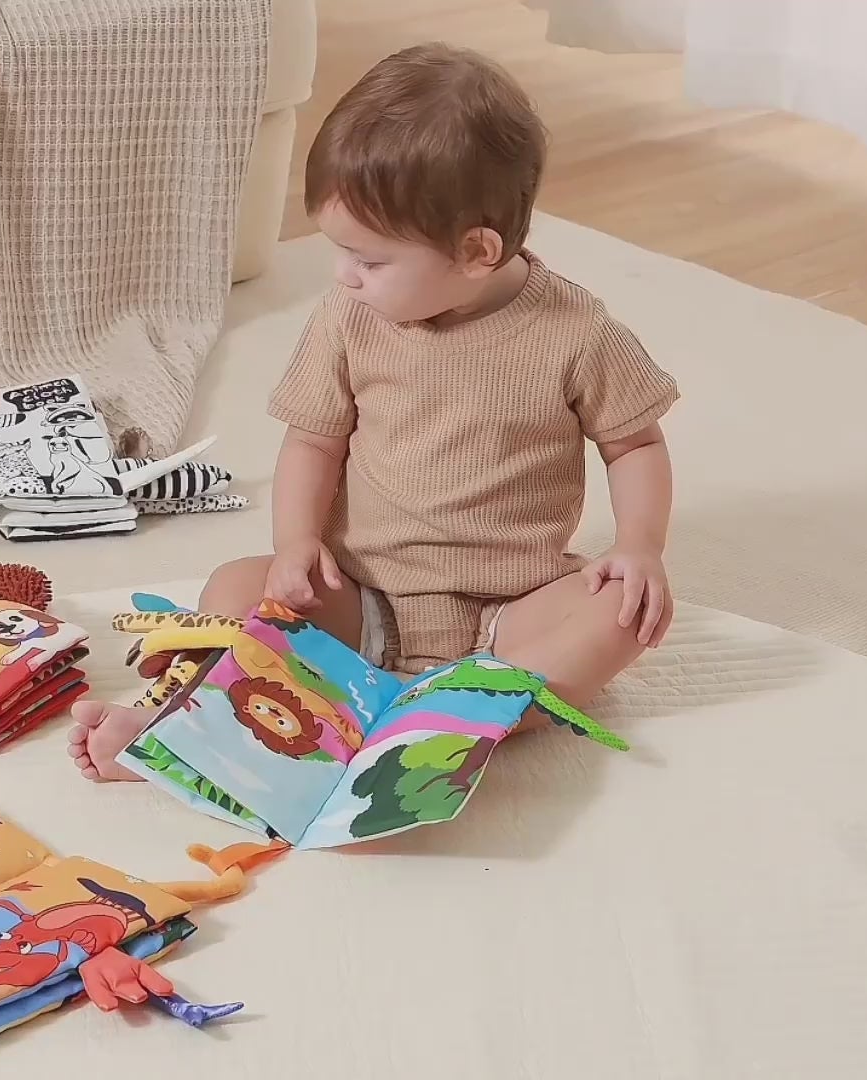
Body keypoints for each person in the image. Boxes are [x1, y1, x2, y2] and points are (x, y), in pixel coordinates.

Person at [68, 41, 679, 781]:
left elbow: (635, 446)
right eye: (339, 251)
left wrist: (640, 548)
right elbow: (312, 443)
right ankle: (183, 730)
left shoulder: (577, 332)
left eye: (371, 259)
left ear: (477, 251)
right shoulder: (348, 318)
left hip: (511, 610)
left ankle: (430, 732)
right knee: (237, 586)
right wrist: (295, 543)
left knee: (621, 616)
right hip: (361, 596)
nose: (343, 275)